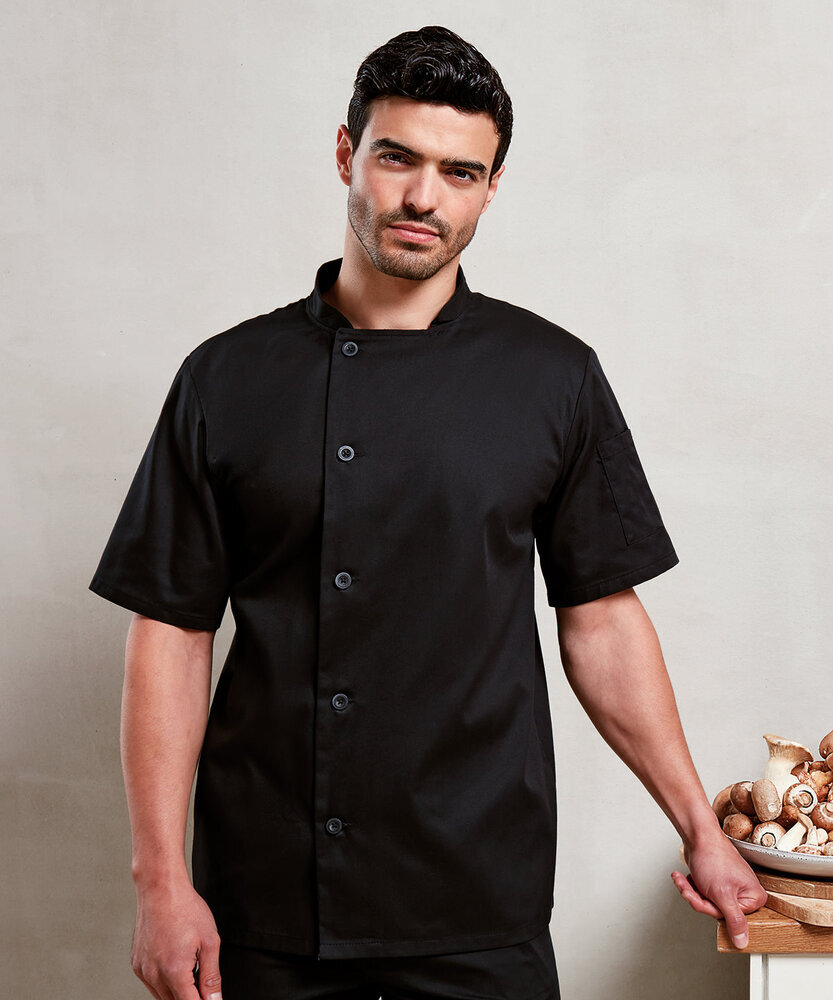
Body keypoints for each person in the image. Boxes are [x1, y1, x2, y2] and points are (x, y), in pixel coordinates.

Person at [90, 24, 766, 1000]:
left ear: (490, 188)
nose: (423, 198)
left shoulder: (552, 377)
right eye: (396, 158)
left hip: (477, 893)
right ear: (345, 154)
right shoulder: (225, 378)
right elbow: (170, 631)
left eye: (459, 172)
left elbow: (602, 620)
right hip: (266, 899)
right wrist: (160, 881)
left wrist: (700, 829)